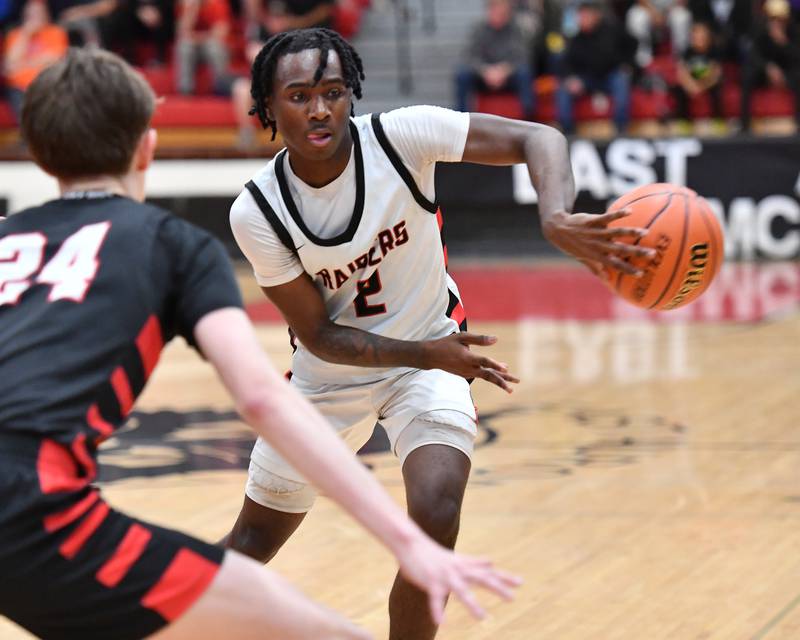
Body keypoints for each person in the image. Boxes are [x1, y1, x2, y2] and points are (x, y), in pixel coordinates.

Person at [0, 47, 522, 640]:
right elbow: (263, 400)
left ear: (39, 158)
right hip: (38, 515)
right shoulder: (172, 245)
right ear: (147, 146)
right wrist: (404, 541)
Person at [226, 27, 653, 640]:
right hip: (332, 377)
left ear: (352, 94)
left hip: (429, 364)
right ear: (268, 107)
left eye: (333, 91)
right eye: (298, 96)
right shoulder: (258, 210)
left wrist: (554, 215)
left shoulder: (402, 138)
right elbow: (318, 335)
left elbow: (540, 137)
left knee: (436, 513)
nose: (319, 109)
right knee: (251, 541)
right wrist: (432, 350)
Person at [555, 0, 636, 134]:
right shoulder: (576, 40)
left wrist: (628, 64)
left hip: (610, 76)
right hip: (588, 80)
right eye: (580, 16)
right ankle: (568, 132)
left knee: (621, 80)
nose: (582, 19)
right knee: (563, 88)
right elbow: (565, 64)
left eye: (585, 15)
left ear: (596, 16)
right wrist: (571, 79)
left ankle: (621, 130)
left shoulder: (613, 30)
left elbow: (633, 44)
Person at [454, 0, 536, 119]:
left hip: (508, 77)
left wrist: (504, 71)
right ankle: (461, 119)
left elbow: (521, 56)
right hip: (483, 77)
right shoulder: (479, 29)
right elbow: (470, 57)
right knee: (462, 73)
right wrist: (485, 71)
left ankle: (529, 118)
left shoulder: (515, 29)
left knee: (525, 73)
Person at [2, 0, 67, 122]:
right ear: (25, 15)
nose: (35, 16)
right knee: (24, 112)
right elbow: (10, 66)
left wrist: (22, 64)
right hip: (19, 89)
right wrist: (26, 35)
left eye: (39, 12)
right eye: (31, 13)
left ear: (46, 14)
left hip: (47, 85)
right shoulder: (15, 34)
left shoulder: (56, 32)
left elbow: (55, 60)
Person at [740, 0, 800, 132]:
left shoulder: (794, 30)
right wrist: (768, 68)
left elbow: (796, 57)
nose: (777, 22)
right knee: (748, 76)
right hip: (765, 72)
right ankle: (744, 125)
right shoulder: (760, 29)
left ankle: (798, 123)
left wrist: (783, 43)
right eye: (773, 18)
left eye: (781, 18)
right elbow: (754, 55)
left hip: (787, 72)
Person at [672, 21, 724, 131]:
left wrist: (701, 86)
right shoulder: (687, 51)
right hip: (692, 82)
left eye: (702, 34)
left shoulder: (714, 51)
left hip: (708, 82)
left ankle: (718, 121)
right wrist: (690, 86)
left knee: (718, 89)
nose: (698, 37)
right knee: (679, 90)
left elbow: (716, 75)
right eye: (696, 34)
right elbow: (682, 72)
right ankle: (684, 122)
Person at [175, 0, 232, 95]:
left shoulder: (218, 4)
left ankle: (221, 86)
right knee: (184, 46)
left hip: (212, 45)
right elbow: (182, 33)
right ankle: (185, 89)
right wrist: (192, 11)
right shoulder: (186, 5)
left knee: (214, 47)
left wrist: (196, 37)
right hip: (194, 47)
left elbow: (220, 33)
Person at [626, 0, 691, 66]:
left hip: (671, 10)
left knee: (682, 17)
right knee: (636, 18)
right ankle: (642, 59)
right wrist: (654, 13)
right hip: (648, 9)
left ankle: (680, 56)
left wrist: (665, 14)